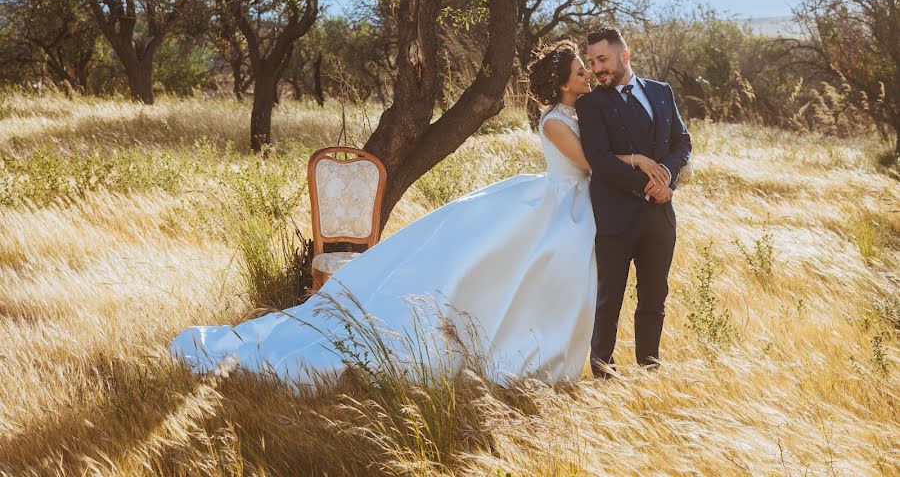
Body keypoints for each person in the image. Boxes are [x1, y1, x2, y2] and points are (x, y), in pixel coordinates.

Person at [171, 38, 599, 389]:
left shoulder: (582, 112)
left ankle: (544, 358)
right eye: (581, 71)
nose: (588, 75)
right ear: (563, 82)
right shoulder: (556, 121)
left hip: (575, 206)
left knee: (544, 281)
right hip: (559, 202)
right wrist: (633, 160)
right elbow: (587, 163)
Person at [575, 26, 692, 376]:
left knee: (654, 298)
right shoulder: (590, 104)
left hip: (660, 215)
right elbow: (600, 159)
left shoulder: (661, 91)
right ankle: (603, 374)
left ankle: (649, 371)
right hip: (614, 217)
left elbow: (682, 143)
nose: (597, 69)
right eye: (592, 62)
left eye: (603, 60)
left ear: (624, 56)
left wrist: (666, 178)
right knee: (608, 300)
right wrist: (647, 185)